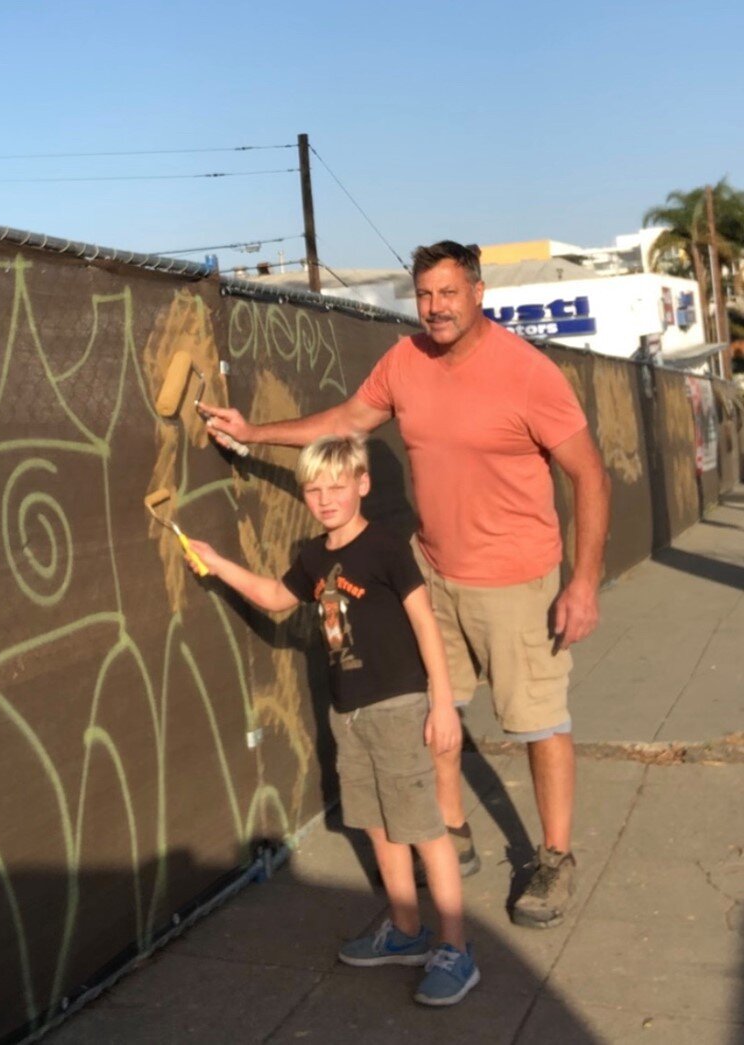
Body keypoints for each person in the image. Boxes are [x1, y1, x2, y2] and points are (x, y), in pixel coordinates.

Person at [201, 241, 610, 929]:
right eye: (425, 294)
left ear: (478, 292)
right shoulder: (405, 362)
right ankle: (451, 834)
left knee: (540, 722)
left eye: (449, 292)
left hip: (519, 579)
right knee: (433, 718)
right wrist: (254, 434)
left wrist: (584, 582)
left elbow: (590, 475)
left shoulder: (528, 373)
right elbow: (343, 423)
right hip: (436, 575)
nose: (436, 307)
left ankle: (553, 856)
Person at [187, 434, 480, 1005]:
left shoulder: (387, 548)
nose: (325, 499)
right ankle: (404, 932)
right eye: (314, 489)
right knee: (375, 824)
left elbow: (426, 625)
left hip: (399, 708)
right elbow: (275, 596)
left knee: (422, 829)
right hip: (347, 713)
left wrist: (442, 704)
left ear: (362, 485)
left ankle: (456, 949)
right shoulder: (314, 557)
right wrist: (218, 565)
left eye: (337, 487)